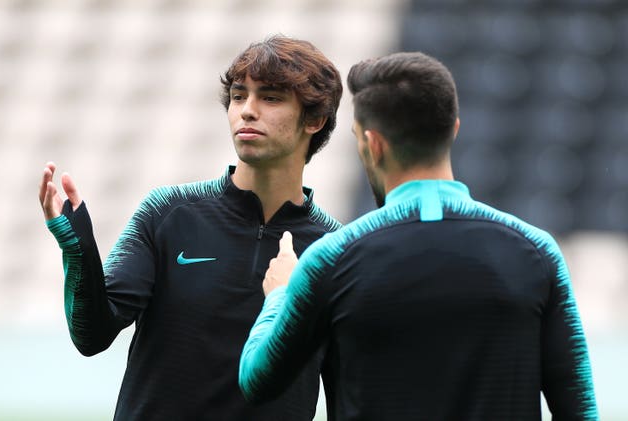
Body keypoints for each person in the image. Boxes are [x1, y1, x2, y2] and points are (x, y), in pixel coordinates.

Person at [239, 52, 598, 420]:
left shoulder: (331, 259)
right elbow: (581, 410)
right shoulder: (536, 252)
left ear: (373, 143)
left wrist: (280, 295)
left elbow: (257, 380)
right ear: (453, 129)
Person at [38, 35, 342, 420]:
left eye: (270, 97)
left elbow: (347, 394)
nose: (247, 110)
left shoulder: (337, 251)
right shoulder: (167, 212)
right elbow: (91, 334)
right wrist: (75, 245)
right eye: (237, 95)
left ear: (314, 119)